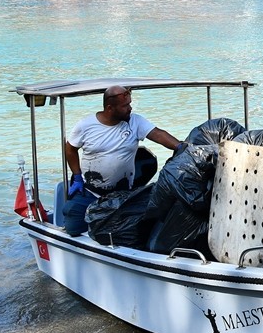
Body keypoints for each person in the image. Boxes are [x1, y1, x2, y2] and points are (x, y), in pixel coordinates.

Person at [62, 85, 184, 236]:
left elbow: (158, 134)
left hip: (123, 194)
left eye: (130, 104)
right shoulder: (85, 125)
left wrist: (181, 147)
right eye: (125, 105)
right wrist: (77, 176)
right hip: (90, 191)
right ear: (110, 108)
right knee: (72, 229)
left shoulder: (135, 122)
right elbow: (70, 149)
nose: (130, 108)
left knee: (133, 231)